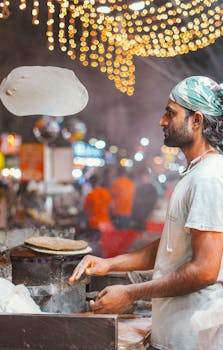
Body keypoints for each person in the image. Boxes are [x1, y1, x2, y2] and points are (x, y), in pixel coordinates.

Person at [69, 76, 223, 350]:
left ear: (196, 121)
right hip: (175, 334)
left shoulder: (209, 177)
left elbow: (204, 270)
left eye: (171, 113)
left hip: (194, 340)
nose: (162, 121)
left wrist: (130, 294)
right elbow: (167, 247)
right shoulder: (195, 173)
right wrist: (109, 263)